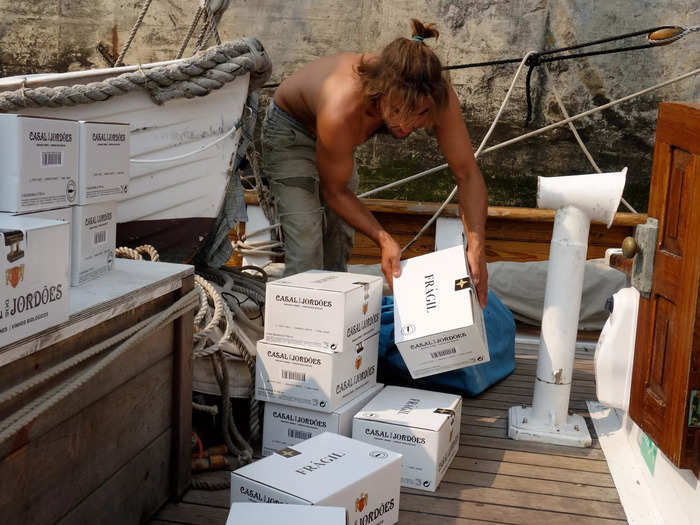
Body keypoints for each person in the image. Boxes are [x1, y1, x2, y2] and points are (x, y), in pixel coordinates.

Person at [262, 18, 489, 307]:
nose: (407, 124)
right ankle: (295, 340)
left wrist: (477, 248)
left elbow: (468, 174)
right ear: (381, 91)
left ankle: (330, 326)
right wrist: (384, 239)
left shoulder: (436, 96)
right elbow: (335, 191)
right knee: (307, 242)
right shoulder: (342, 107)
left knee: (339, 237)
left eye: (419, 115)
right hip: (292, 130)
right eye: (397, 110)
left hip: (336, 145)